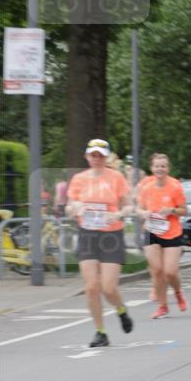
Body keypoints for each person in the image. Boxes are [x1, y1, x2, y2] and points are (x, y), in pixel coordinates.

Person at [65, 138, 134, 348]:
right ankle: (100, 332)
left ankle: (121, 310)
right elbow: (69, 206)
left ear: (106, 157)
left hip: (111, 235)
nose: (96, 158)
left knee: (108, 287)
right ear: (87, 156)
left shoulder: (117, 177)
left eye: (100, 155)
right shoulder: (79, 179)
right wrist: (76, 208)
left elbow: (129, 206)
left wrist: (118, 215)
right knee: (91, 287)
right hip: (87, 234)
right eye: (93, 155)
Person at [136, 154, 188, 318]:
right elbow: (138, 208)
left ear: (168, 168)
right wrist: (143, 213)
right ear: (152, 168)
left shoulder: (175, 186)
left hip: (172, 232)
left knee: (170, 272)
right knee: (157, 270)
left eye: (163, 166)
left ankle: (178, 293)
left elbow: (184, 210)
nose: (160, 169)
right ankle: (163, 306)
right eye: (157, 166)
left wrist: (171, 210)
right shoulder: (147, 187)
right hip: (152, 231)